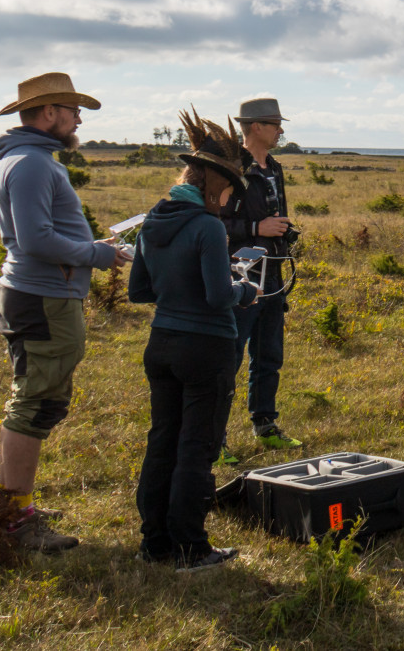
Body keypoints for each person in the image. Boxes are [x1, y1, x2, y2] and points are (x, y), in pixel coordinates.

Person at [0, 72, 133, 552]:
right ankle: (15, 518)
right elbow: (34, 240)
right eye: (73, 111)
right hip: (43, 298)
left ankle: (14, 504)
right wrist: (95, 254)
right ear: (49, 111)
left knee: (36, 399)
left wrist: (89, 248)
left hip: (39, 295)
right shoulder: (32, 164)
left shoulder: (26, 159)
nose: (78, 120)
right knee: (36, 403)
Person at [128, 110, 258, 570]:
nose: (230, 200)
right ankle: (191, 547)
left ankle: (154, 542)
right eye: (229, 191)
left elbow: (139, 290)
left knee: (162, 440)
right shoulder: (207, 227)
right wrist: (245, 290)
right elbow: (219, 296)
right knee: (197, 446)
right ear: (215, 184)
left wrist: (176, 289)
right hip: (206, 347)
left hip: (161, 342)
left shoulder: (153, 221)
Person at [214, 96, 301, 463]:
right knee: (229, 358)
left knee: (269, 355)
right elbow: (213, 223)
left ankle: (265, 425)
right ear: (255, 127)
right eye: (275, 124)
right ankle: (213, 439)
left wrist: (280, 234)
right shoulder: (231, 168)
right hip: (241, 275)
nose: (280, 131)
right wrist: (255, 228)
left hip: (274, 273)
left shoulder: (274, 167)